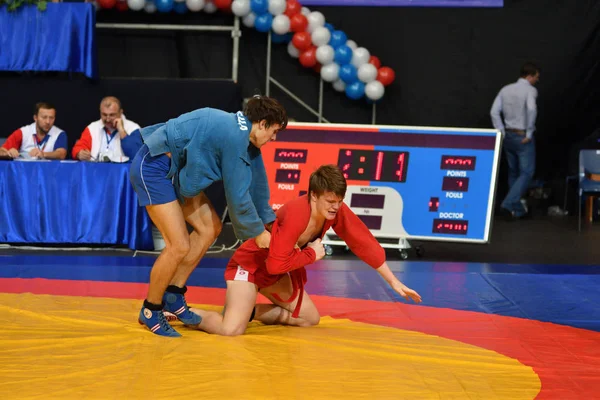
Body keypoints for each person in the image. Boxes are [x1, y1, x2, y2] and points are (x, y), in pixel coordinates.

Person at [185, 165, 422, 336]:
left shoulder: (334, 211)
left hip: (273, 273)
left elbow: (363, 242)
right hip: (249, 268)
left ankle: (247, 311)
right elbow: (275, 264)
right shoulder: (296, 214)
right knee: (230, 330)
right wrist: (311, 255)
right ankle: (185, 313)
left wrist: (393, 282)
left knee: (309, 318)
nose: (336, 206)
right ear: (313, 196)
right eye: (330, 201)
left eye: (339, 200)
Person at [131, 96, 288, 337]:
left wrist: (269, 221)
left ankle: (173, 294)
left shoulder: (245, 135)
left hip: (173, 169)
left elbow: (256, 185)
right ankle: (151, 309)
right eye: (274, 131)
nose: (274, 139)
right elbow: (237, 195)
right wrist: (257, 233)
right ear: (263, 123)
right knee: (178, 245)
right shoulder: (236, 137)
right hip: (153, 166)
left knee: (210, 228)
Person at [490, 62, 540, 219]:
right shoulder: (530, 90)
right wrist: (530, 133)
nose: (537, 81)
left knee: (513, 172)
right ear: (530, 76)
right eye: (536, 78)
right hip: (522, 135)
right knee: (526, 172)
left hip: (508, 136)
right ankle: (508, 204)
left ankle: (517, 210)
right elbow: (531, 109)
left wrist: (501, 131)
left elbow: (493, 112)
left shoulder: (505, 89)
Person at [72, 96, 142, 162]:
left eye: (112, 115)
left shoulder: (133, 128)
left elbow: (137, 155)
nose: (108, 119)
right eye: (104, 115)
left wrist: (121, 131)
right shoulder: (92, 128)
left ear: (121, 112)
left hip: (123, 173)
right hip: (96, 172)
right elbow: (78, 148)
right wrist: (79, 153)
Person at [0, 102, 67, 160]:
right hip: (24, 173)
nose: (48, 121)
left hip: (49, 173)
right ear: (35, 118)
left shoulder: (59, 134)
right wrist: (8, 153)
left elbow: (61, 154)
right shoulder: (23, 132)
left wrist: (44, 154)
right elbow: (1, 150)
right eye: (44, 117)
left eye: (51, 118)